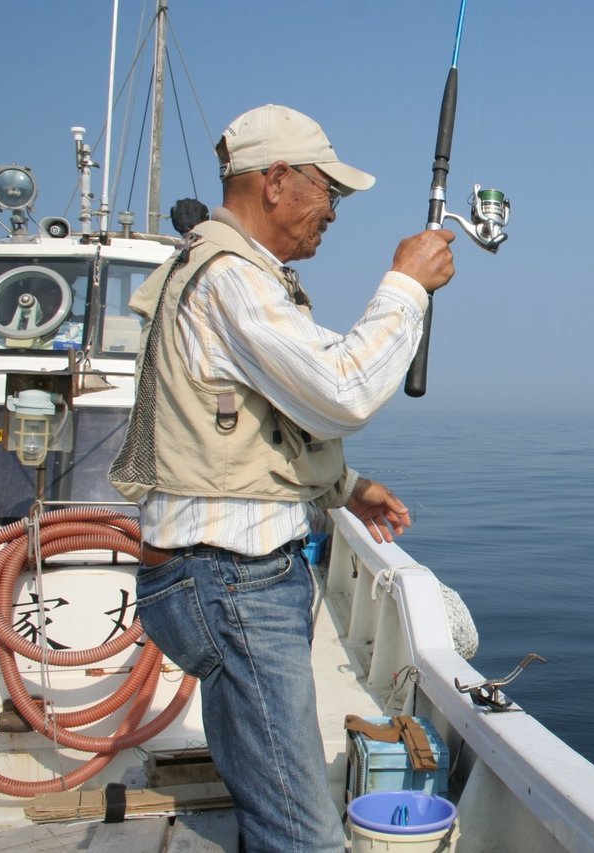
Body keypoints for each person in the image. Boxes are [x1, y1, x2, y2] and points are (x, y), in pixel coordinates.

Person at [109, 104, 455, 852]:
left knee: (270, 808)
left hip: (222, 579)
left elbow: (258, 418)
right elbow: (341, 390)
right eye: (329, 190)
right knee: (303, 835)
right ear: (275, 182)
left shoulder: (225, 271)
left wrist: (345, 485)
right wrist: (406, 285)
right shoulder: (233, 280)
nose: (332, 210)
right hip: (231, 585)